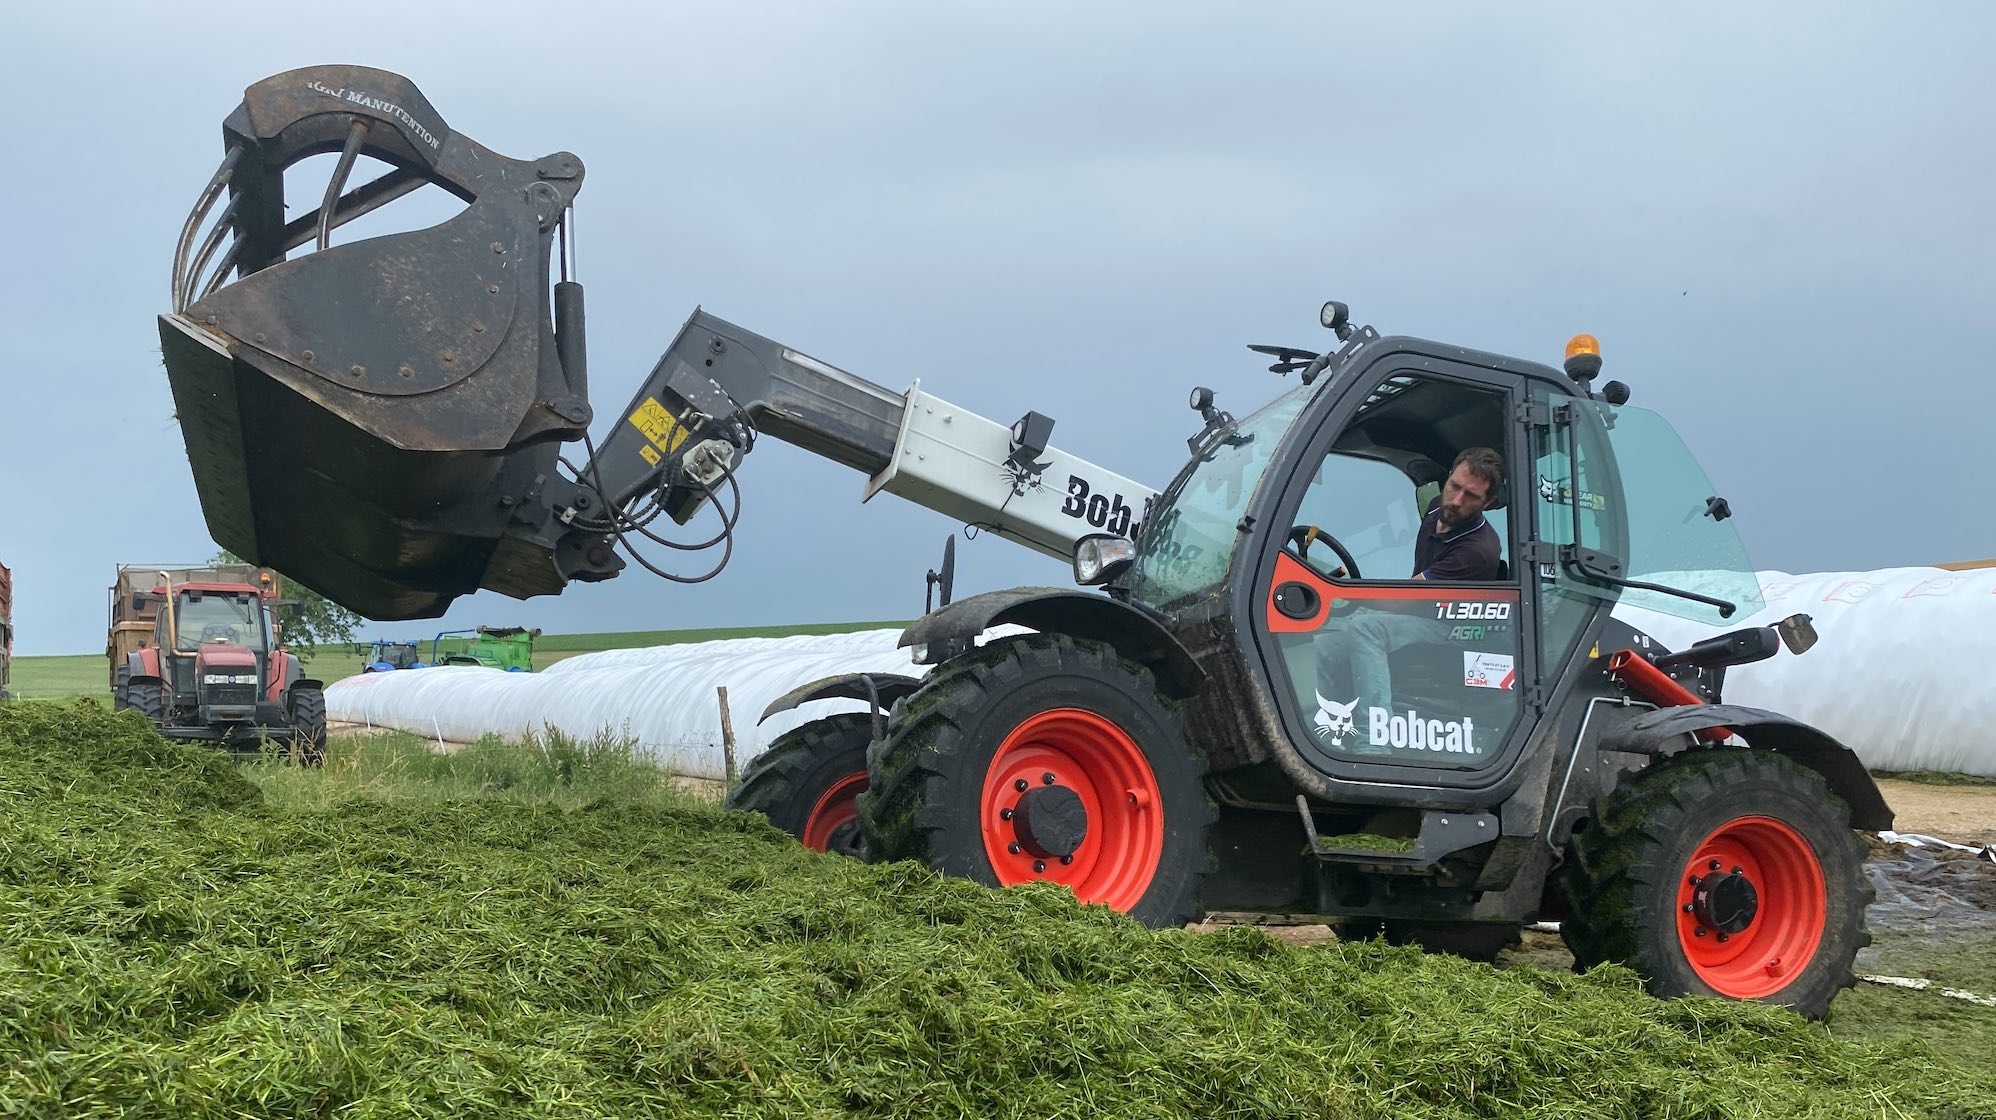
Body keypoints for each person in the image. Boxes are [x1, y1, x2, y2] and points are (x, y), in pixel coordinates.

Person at [1319, 447, 1505, 746]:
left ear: (1489, 502)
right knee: (1324, 645)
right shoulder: (1434, 508)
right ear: (1448, 478)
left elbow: (1404, 598)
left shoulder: (1478, 550)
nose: (1456, 501)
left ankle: (1374, 738)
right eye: (1454, 487)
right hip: (1417, 614)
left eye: (1470, 496)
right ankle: (1325, 734)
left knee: (1368, 628)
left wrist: (1338, 590)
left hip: (1453, 629)